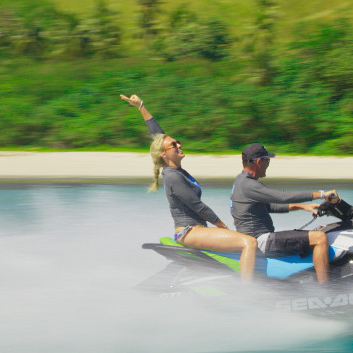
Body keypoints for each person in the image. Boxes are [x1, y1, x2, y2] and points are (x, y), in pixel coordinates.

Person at [121, 94, 259, 283]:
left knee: (247, 239)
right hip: (189, 232)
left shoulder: (176, 169)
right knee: (248, 242)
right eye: (174, 144)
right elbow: (197, 206)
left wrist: (141, 106)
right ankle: (250, 290)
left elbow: (158, 135)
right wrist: (222, 226)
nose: (179, 144)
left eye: (178, 142)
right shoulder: (172, 176)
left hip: (196, 230)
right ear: (164, 154)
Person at [230, 143, 339, 283]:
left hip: (261, 238)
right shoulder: (249, 185)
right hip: (261, 240)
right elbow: (281, 196)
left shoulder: (240, 180)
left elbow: (270, 206)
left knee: (317, 232)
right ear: (258, 162)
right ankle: (325, 290)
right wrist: (322, 194)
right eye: (267, 160)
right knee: (320, 238)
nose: (268, 164)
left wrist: (302, 207)